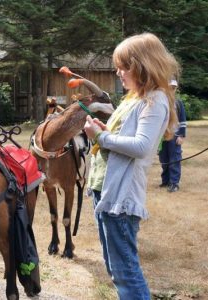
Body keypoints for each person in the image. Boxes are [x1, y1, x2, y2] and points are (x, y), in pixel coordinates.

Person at [84, 32, 180, 299]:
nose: (117, 72)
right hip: (104, 192)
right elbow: (124, 137)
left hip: (120, 197)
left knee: (126, 272)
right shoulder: (134, 98)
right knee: (117, 270)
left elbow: (141, 147)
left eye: (123, 66)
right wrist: (105, 130)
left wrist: (100, 136)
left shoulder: (155, 99)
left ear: (142, 65)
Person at [158, 79, 187, 192]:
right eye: (170, 87)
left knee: (174, 159)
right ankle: (165, 181)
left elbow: (183, 121)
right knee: (163, 159)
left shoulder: (178, 103)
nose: (172, 90)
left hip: (174, 135)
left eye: (174, 88)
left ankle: (174, 183)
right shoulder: (160, 102)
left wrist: (181, 135)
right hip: (162, 136)